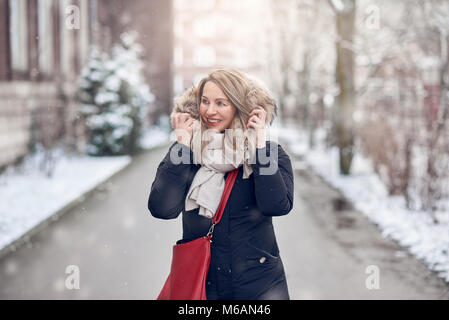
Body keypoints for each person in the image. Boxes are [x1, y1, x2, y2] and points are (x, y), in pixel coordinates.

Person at [148, 68, 294, 300]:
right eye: (205, 101)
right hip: (202, 284)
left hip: (258, 288)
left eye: (221, 103)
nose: (210, 111)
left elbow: (276, 205)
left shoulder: (269, 153)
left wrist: (258, 148)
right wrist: (182, 146)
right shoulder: (189, 154)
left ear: (239, 107)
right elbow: (162, 209)